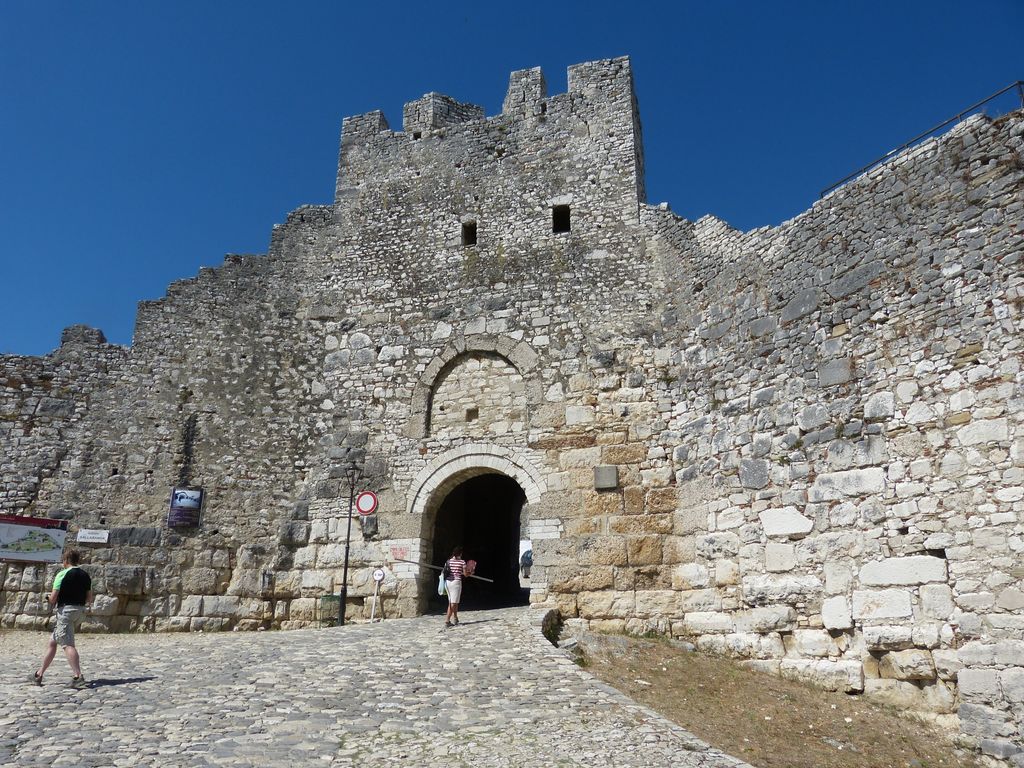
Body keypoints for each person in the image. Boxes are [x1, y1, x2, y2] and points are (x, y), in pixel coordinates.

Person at [32, 550, 93, 689]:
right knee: (53, 642)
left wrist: (47, 598)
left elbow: (53, 599)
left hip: (66, 611)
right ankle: (39, 674)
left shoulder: (62, 574)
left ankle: (78, 676)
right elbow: (90, 598)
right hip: (80, 611)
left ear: (66, 560)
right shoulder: (85, 575)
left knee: (67, 644)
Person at [444, 546, 467, 628]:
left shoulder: (448, 561)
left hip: (447, 583)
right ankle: (447, 620)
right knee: (453, 603)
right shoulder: (462, 562)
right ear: (460, 553)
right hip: (456, 583)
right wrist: (471, 572)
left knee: (454, 601)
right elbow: (465, 574)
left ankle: (455, 618)